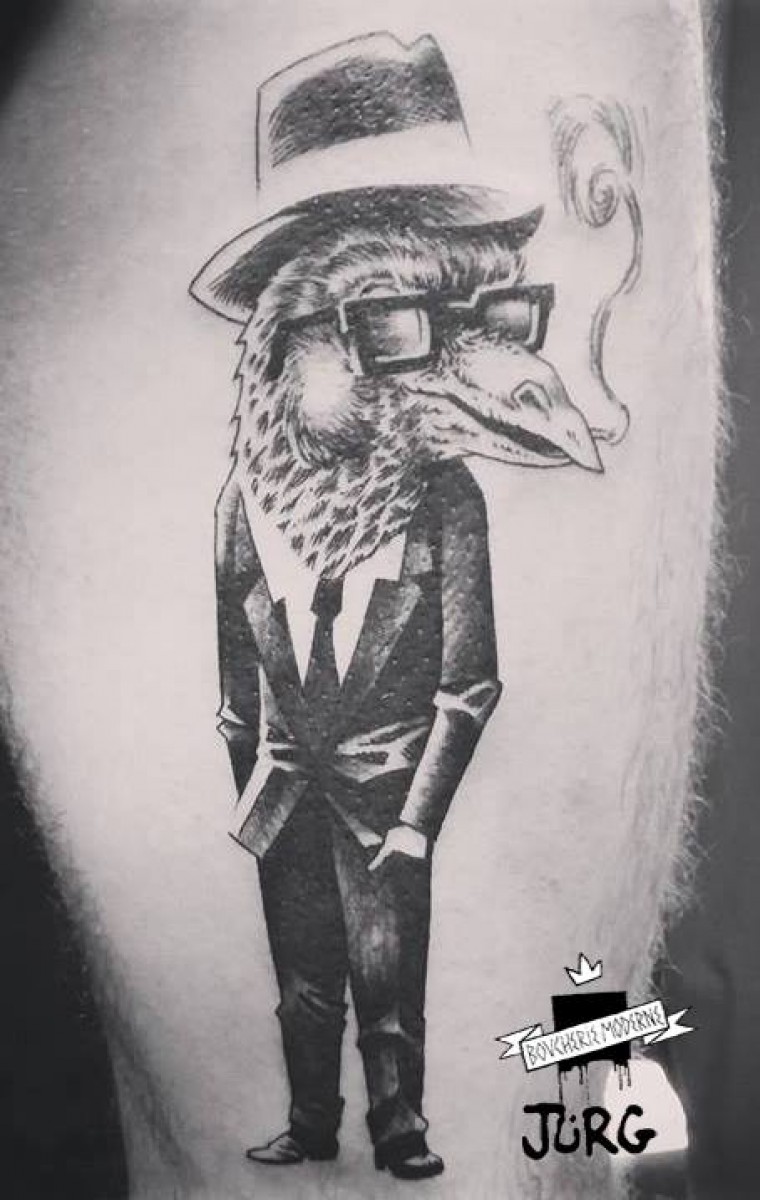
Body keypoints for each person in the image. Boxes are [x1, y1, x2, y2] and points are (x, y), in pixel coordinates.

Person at [0, 3, 720, 1197]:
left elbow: (473, 685)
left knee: (393, 986)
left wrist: (418, 821)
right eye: (393, 324)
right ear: (289, 347)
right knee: (301, 988)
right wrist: (258, 783)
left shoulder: (449, 505)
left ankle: (397, 1133)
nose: (506, 368)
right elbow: (235, 681)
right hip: (282, 815)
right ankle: (309, 1121)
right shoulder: (242, 508)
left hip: (398, 813)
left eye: (499, 315)